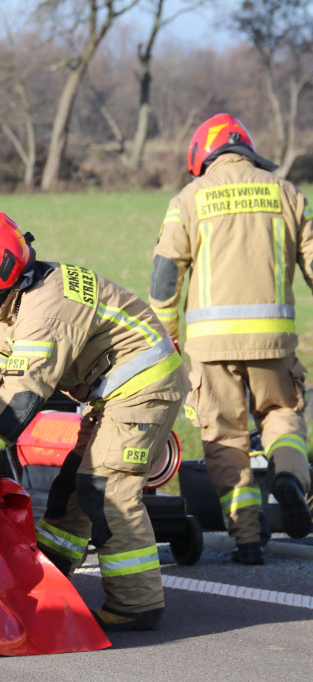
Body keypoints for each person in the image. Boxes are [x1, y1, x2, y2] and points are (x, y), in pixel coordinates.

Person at [0, 212, 187, 632]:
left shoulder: (46, 312)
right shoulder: (21, 299)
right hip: (115, 394)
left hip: (144, 390)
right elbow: (2, 374)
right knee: (73, 486)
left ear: (2, 273)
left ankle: (135, 605)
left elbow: (23, 398)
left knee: (107, 489)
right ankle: (49, 577)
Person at [149, 113, 313, 564]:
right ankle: (291, 480)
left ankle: (247, 539)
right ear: (248, 149)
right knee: (282, 416)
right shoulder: (287, 193)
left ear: (201, 157)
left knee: (224, 438)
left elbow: (165, 283)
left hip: (209, 347)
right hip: (273, 343)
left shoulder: (189, 199)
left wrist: (169, 346)